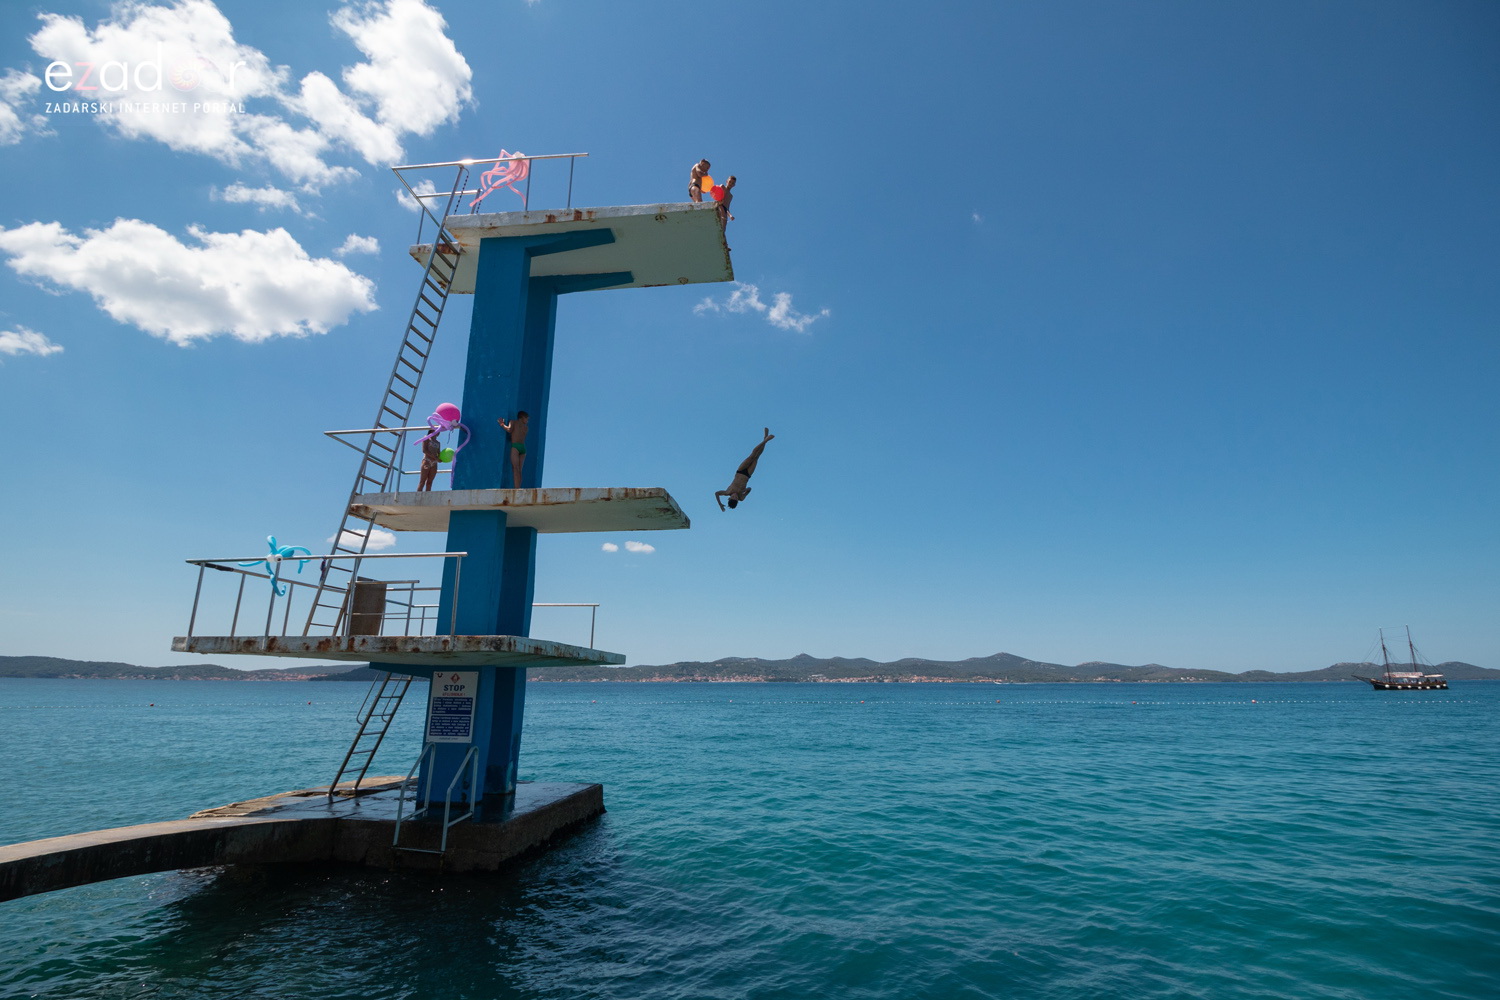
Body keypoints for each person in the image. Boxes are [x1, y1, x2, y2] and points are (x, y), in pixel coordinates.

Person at [716, 428, 774, 511]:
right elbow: (750, 489)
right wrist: (746, 491)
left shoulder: (727, 492)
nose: (735, 496)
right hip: (747, 475)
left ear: (729, 498)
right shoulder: (741, 497)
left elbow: (716, 493)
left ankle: (765, 440)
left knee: (752, 456)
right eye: (736, 498)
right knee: (756, 457)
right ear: (737, 500)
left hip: (740, 471)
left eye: (733, 497)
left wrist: (720, 504)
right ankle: (765, 438)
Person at [498, 411, 529, 488]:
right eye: (526, 419)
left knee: (515, 468)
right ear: (522, 417)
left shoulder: (513, 422)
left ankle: (516, 488)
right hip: (523, 448)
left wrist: (502, 424)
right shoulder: (525, 428)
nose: (527, 421)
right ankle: (518, 487)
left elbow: (509, 430)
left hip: (515, 446)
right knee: (519, 470)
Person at [716, 175, 737, 242]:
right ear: (727, 181)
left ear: (734, 185)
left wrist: (730, 215)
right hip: (719, 206)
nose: (730, 184)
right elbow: (717, 196)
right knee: (719, 222)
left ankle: (722, 241)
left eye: (732, 183)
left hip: (725, 211)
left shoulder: (730, 196)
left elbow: (727, 207)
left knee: (723, 228)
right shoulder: (722, 186)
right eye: (730, 182)